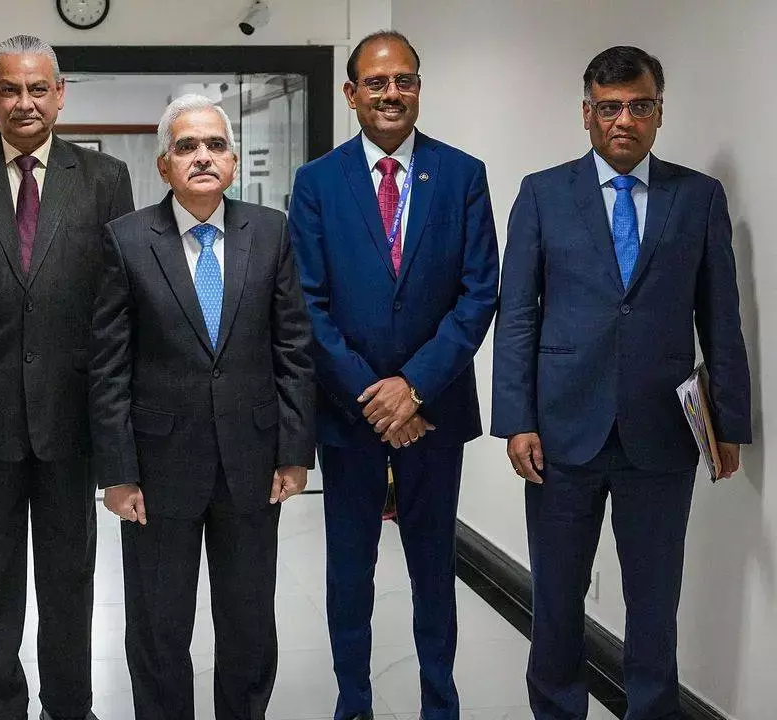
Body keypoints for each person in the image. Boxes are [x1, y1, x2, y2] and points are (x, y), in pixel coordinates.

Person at [492, 46, 751, 720]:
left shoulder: (697, 198)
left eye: (639, 106)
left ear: (659, 112)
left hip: (661, 440)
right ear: (587, 115)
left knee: (654, 600)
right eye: (609, 108)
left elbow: (722, 318)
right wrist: (516, 417)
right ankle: (556, 710)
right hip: (559, 434)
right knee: (555, 598)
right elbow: (516, 314)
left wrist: (731, 424)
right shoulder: (542, 195)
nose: (623, 121)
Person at [0, 35, 133, 720]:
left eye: (38, 88)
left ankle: (71, 707)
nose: (25, 102)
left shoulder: (106, 179)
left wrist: (116, 417)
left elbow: (117, 307)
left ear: (60, 94)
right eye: (9, 89)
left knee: (71, 580)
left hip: (75, 419)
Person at [287, 30, 499, 720]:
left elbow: (479, 293)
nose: (391, 94)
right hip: (350, 417)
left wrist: (413, 388)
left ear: (418, 87)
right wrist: (371, 396)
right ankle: (355, 703)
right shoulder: (317, 183)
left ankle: (440, 701)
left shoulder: (462, 175)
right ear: (351, 94)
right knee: (350, 574)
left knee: (435, 571)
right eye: (376, 83)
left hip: (433, 412)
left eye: (404, 80)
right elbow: (307, 302)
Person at [89, 94, 316, 720]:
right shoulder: (129, 240)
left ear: (234, 161)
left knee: (248, 625)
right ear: (163, 165)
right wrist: (116, 471)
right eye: (187, 146)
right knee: (159, 629)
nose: (202, 157)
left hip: (252, 461)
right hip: (157, 473)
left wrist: (295, 452)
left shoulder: (269, 231)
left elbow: (293, 345)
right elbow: (107, 364)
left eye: (215, 145)